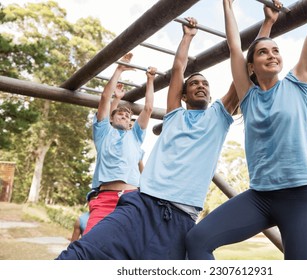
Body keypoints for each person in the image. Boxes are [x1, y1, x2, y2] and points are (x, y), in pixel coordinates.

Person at [56, 16, 242, 260]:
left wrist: (266, 26)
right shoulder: (174, 115)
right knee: (79, 256)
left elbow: (241, 67)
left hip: (181, 217)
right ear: (183, 96)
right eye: (194, 83)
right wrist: (187, 37)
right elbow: (178, 69)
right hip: (142, 204)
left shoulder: (219, 116)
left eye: (205, 83)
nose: (200, 86)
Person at [186, 0, 307, 260]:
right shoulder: (248, 96)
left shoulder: (298, 83)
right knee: (197, 240)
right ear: (250, 67)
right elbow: (234, 46)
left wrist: (270, 23)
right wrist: (227, 5)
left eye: (275, 50)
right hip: (261, 198)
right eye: (263, 52)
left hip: (300, 197)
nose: (272, 54)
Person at [83, 52, 157, 235]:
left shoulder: (135, 136)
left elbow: (148, 108)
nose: (124, 117)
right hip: (105, 198)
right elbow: (104, 99)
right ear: (111, 118)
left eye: (127, 116)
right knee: (90, 243)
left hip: (131, 199)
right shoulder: (103, 133)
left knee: (130, 246)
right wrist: (119, 69)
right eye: (120, 114)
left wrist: (150, 80)